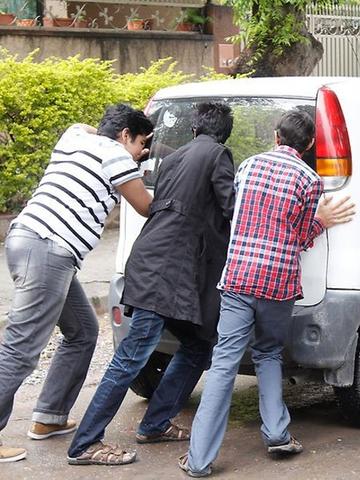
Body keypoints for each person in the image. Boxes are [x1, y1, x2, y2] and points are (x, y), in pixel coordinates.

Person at [180, 109, 356, 477]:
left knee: (224, 362)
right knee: (269, 352)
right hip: (278, 284)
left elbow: (235, 211)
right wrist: (323, 220)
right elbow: (303, 237)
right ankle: (277, 434)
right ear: (308, 145)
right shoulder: (310, 181)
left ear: (276, 136)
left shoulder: (248, 167)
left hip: (240, 277)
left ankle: (198, 460)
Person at [67, 102, 236, 466]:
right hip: (165, 271)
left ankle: (156, 423)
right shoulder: (218, 155)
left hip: (156, 262)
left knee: (198, 343)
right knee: (130, 358)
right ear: (225, 134)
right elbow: (231, 207)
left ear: (193, 130)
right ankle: (85, 444)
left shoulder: (176, 159)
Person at [0, 104, 154, 463]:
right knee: (21, 348)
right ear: (124, 136)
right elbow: (146, 205)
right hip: (48, 249)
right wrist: (140, 162)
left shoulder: (74, 138)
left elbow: (86, 126)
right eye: (141, 143)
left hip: (29, 239)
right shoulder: (116, 154)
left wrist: (133, 124)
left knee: (83, 331)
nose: (142, 152)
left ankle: (49, 417)